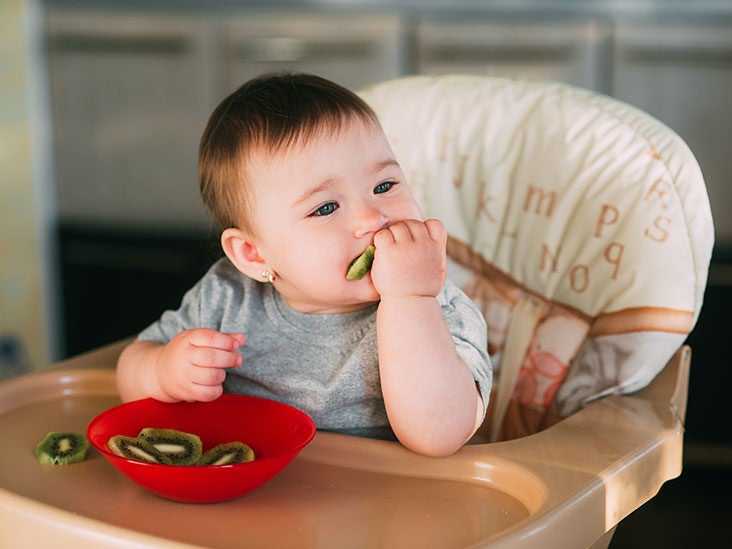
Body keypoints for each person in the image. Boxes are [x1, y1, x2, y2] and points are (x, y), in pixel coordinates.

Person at [116, 72, 492, 457]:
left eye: (385, 186)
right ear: (254, 255)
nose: (372, 218)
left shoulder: (437, 307)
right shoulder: (226, 298)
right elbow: (130, 367)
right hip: (262, 501)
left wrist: (410, 299)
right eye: (326, 207)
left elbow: (440, 436)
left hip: (394, 507)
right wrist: (165, 371)